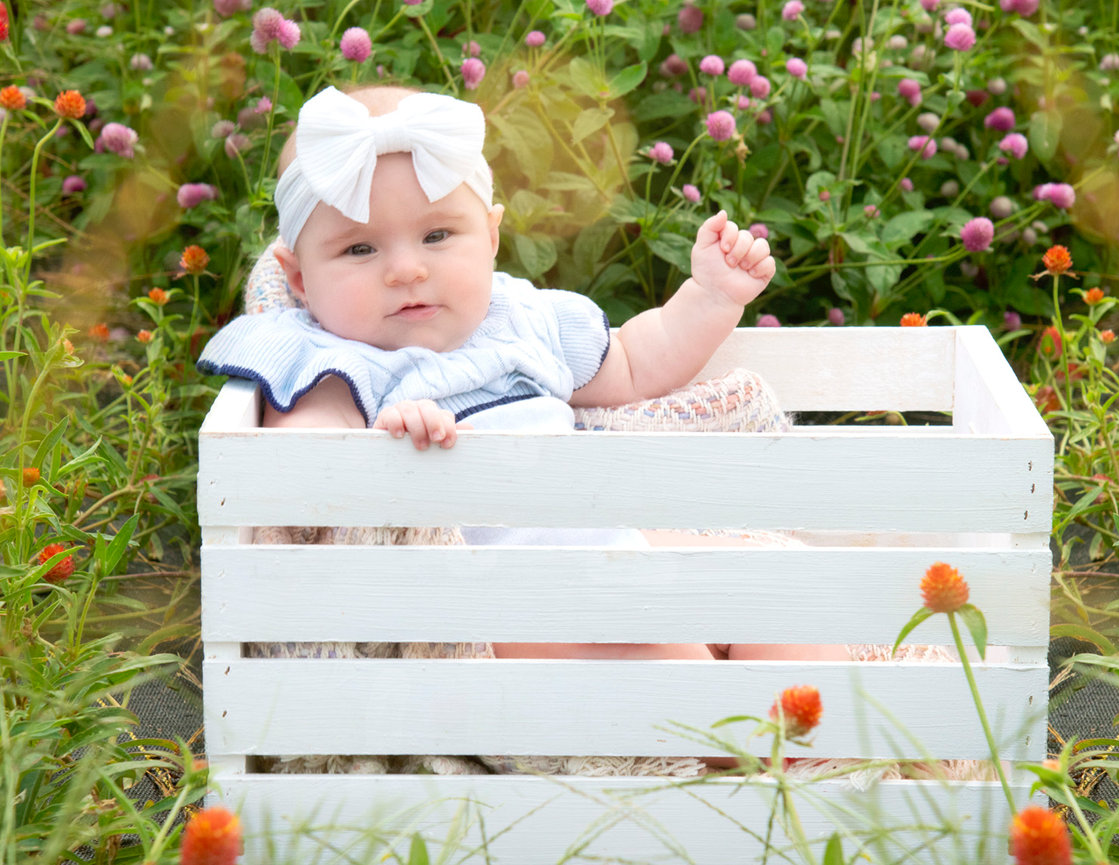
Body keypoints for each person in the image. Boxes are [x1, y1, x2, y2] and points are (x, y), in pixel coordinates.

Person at [199, 84, 843, 663]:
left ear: (490, 237)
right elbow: (305, 455)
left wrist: (710, 297)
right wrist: (385, 445)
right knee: (663, 660)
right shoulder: (330, 360)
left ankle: (825, 737)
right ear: (299, 278)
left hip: (614, 545)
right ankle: (733, 742)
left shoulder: (524, 318)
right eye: (360, 248)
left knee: (780, 588)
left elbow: (636, 363)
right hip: (514, 597)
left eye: (436, 236)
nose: (406, 270)